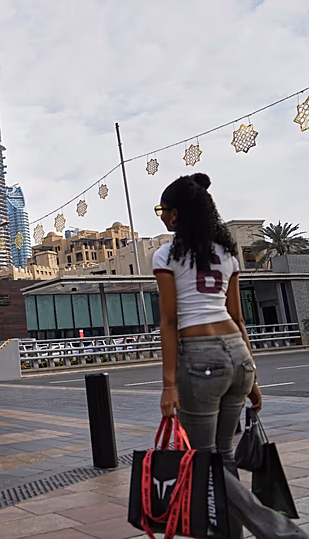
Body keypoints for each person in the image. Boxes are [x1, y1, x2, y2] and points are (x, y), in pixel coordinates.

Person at [153, 173, 307, 539]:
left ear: (176, 215)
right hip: (237, 354)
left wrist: (168, 385)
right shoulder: (228, 254)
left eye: (162, 210)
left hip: (200, 357)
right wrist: (251, 375)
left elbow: (170, 321)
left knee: (200, 460)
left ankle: (280, 530)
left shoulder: (166, 255)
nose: (160, 217)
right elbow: (238, 317)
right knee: (221, 457)